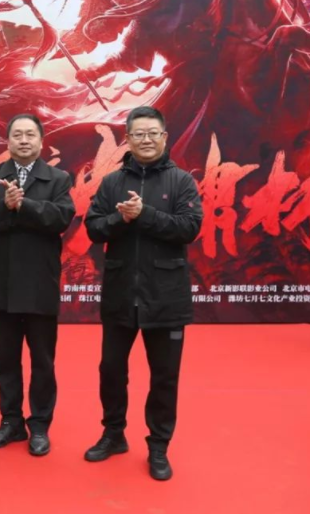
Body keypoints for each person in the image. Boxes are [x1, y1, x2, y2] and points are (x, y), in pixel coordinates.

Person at [83, 105, 203, 481]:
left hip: (166, 297)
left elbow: (189, 228)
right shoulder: (111, 183)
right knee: (111, 371)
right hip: (121, 293)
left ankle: (159, 446)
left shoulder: (182, 181)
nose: (146, 140)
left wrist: (145, 215)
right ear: (128, 139)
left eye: (153, 133)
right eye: (138, 134)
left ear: (164, 137)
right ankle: (113, 434)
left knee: (164, 376)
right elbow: (93, 228)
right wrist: (120, 218)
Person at [0, 114, 75, 456]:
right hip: (1, 283)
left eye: (30, 135)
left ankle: (39, 425)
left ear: (41, 142)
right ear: (8, 141)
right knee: (5, 359)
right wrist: (4, 206)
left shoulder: (58, 178)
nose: (24, 140)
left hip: (40, 283)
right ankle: (10, 422)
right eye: (17, 135)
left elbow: (61, 218)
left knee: (43, 360)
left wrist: (23, 206)